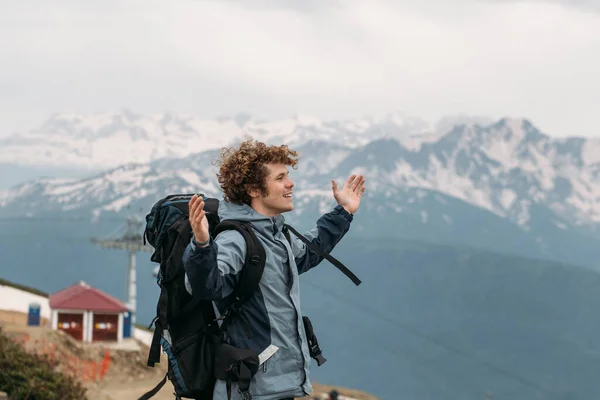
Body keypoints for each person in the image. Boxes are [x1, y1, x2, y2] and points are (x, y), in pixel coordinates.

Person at [182, 138, 366, 400]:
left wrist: (344, 211)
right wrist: (201, 246)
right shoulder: (235, 239)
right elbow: (205, 286)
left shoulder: (275, 236)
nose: (290, 183)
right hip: (251, 389)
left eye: (288, 176)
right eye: (281, 178)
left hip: (273, 387)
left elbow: (310, 252)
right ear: (254, 189)